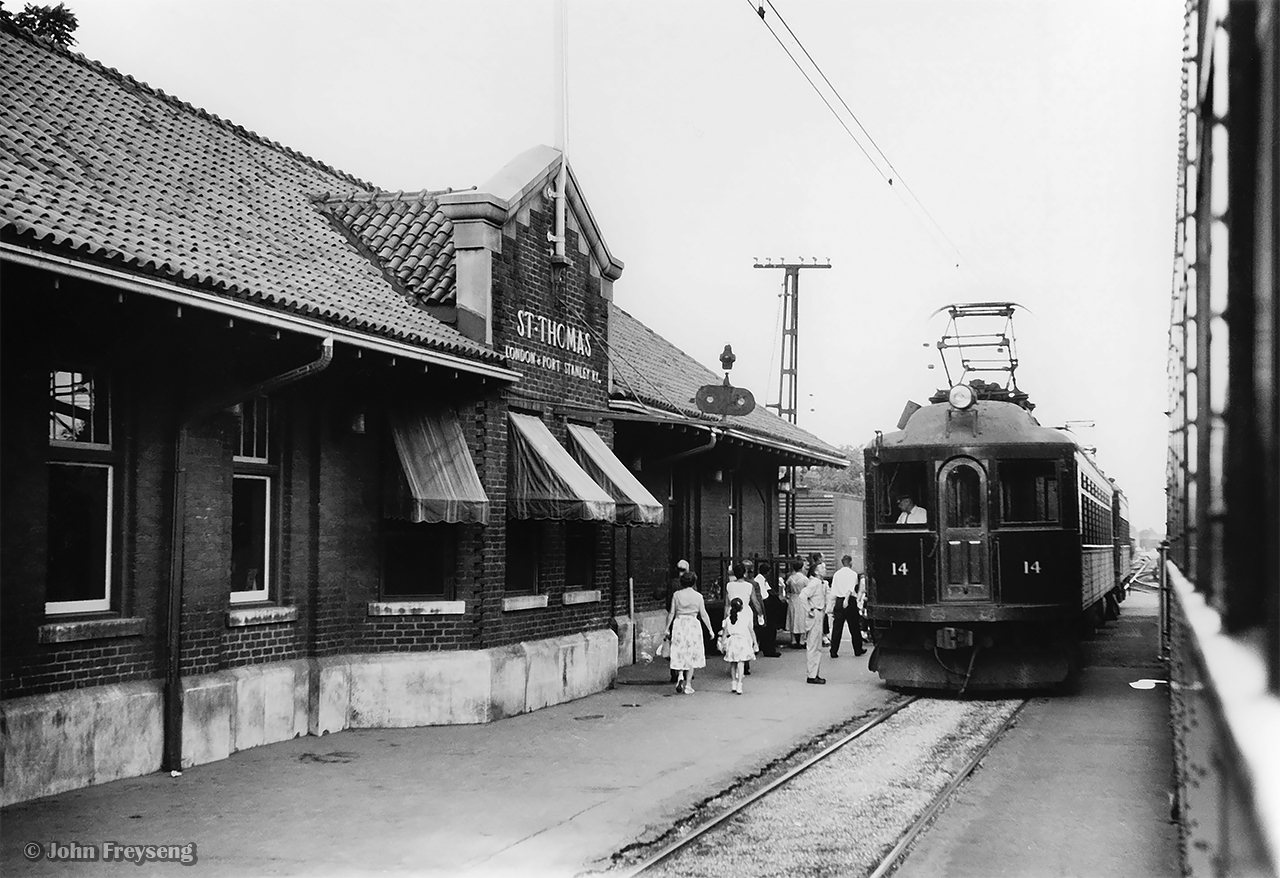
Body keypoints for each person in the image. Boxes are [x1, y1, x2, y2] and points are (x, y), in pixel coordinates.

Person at [664, 569, 715, 694]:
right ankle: (688, 684)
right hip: (692, 624)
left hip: (679, 623)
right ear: (694, 582)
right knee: (691, 653)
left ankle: (680, 674)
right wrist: (710, 629)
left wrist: (666, 628)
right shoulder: (698, 596)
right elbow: (703, 614)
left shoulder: (677, 595)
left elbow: (671, 612)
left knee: (680, 651)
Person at [724, 561, 763, 674]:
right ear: (745, 573)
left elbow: (726, 603)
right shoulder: (749, 586)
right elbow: (755, 601)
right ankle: (745, 663)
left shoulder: (729, 585)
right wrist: (760, 613)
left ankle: (734, 661)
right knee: (747, 636)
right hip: (745, 611)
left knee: (734, 636)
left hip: (732, 611)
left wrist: (725, 616)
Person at [828, 554, 865, 658]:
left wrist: (831, 604)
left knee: (837, 628)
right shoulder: (853, 574)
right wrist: (847, 599)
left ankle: (833, 650)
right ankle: (858, 649)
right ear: (851, 563)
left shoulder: (836, 574)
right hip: (849, 601)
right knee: (854, 627)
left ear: (842, 562)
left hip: (839, 601)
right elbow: (850, 588)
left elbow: (833, 590)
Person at [720, 597, 758, 694]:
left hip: (732, 641)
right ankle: (740, 684)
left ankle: (733, 683)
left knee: (733, 663)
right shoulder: (745, 618)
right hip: (742, 641)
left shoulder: (729, 619)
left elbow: (724, 633)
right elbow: (751, 631)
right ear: (741, 607)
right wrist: (755, 643)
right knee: (741, 664)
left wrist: (723, 644)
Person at [800, 560, 830, 683]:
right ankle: (812, 675)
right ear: (816, 571)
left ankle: (814, 673)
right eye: (822, 568)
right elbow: (802, 595)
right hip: (815, 613)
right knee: (813, 645)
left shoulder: (819, 583)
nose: (825, 570)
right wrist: (810, 609)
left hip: (819, 613)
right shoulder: (815, 583)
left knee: (816, 645)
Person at [753, 561, 781, 657]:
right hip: (766, 605)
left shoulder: (762, 579)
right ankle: (769, 649)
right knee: (769, 628)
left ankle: (766, 647)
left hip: (767, 603)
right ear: (768, 572)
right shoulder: (759, 581)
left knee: (767, 629)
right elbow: (765, 595)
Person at [784, 559, 809, 649]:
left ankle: (793, 639)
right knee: (802, 618)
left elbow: (787, 589)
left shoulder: (791, 578)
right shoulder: (804, 579)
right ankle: (802, 640)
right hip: (802, 599)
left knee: (792, 617)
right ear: (801, 567)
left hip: (793, 598)